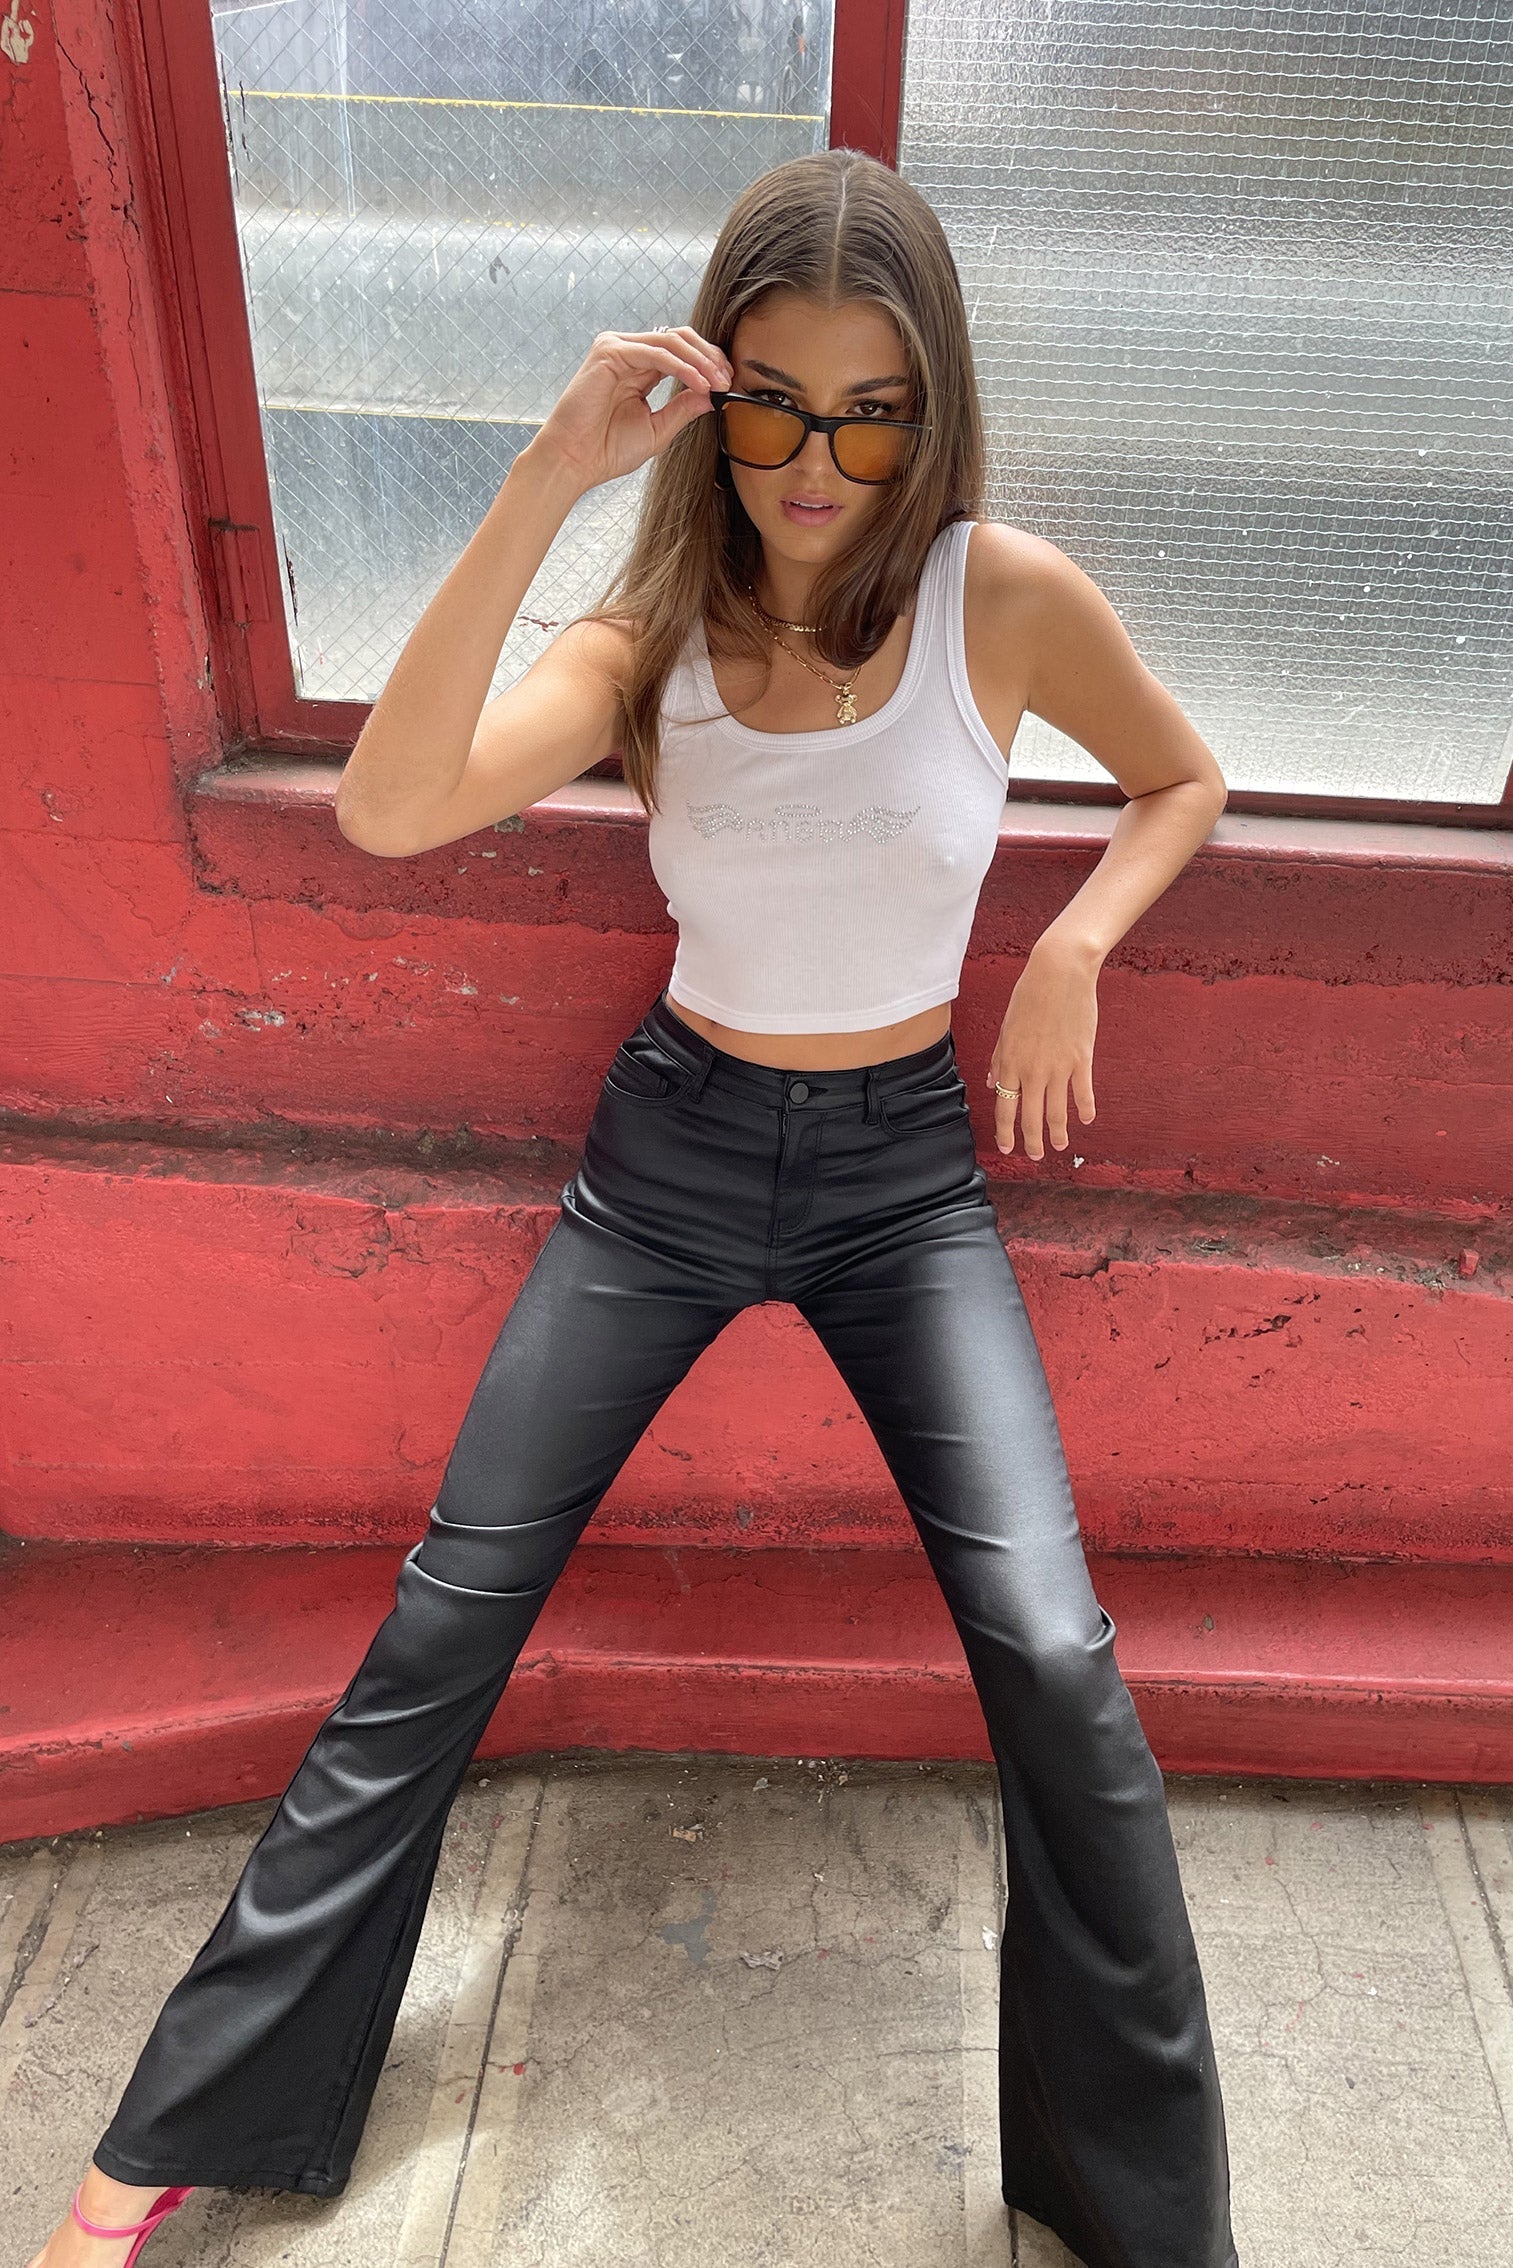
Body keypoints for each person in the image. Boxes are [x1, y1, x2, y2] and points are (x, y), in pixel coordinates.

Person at [31, 148, 1238, 2268]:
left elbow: (1180, 777)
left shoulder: (1003, 599)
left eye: (873, 416)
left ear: (931, 412)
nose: (818, 465)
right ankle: (162, 2142)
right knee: (444, 1621)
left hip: (900, 1181)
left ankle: (1143, 2214)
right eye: (774, 407)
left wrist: (1074, 943)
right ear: (712, 397)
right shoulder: (647, 632)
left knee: (1055, 1652)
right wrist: (547, 475)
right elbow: (395, 808)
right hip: (670, 1163)